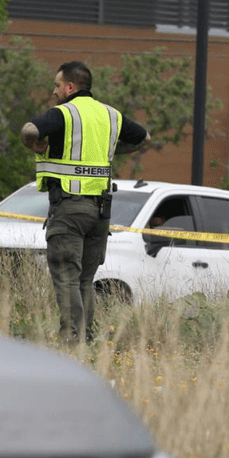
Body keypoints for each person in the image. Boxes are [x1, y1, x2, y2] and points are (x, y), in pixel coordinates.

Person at [21, 61, 149, 344]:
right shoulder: (110, 115)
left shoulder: (64, 113)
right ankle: (85, 339)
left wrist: (34, 145)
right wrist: (113, 150)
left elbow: (29, 130)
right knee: (84, 280)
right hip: (101, 213)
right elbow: (144, 137)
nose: (54, 92)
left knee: (67, 276)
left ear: (70, 86)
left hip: (69, 209)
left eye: (57, 86)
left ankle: (71, 338)